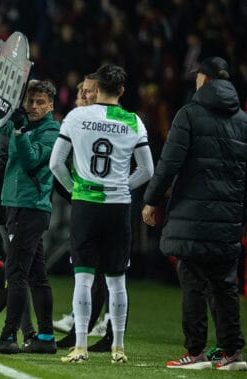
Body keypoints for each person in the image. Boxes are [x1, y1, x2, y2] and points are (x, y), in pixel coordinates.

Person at [142, 56, 247, 371]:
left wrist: (151, 201)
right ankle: (232, 353)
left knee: (193, 283)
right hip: (228, 221)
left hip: (191, 218)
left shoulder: (189, 115)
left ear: (204, 80)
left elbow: (169, 164)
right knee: (224, 285)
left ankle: (196, 352)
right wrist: (240, 219)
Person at [50, 64, 154, 364]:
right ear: (121, 90)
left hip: (86, 204)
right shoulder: (134, 121)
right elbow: (147, 170)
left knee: (82, 277)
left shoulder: (77, 116)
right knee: (116, 280)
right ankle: (118, 348)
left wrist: (74, 191)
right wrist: (121, 186)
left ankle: (80, 346)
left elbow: (56, 164)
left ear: (95, 89)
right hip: (118, 206)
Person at [0, 80, 60, 355]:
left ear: (51, 105)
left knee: (15, 274)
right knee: (37, 275)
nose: (34, 106)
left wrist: (21, 130)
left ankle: (8, 336)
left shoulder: (53, 131)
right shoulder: (19, 122)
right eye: (31, 101)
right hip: (17, 206)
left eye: (41, 102)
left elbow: (31, 160)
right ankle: (46, 338)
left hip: (29, 208)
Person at [54, 73, 116, 353]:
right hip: (90, 201)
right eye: (83, 93)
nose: (86, 97)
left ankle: (106, 332)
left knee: (102, 273)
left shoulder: (100, 122)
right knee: (95, 272)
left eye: (89, 92)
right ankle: (87, 329)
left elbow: (57, 165)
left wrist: (75, 193)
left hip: (97, 202)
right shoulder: (79, 121)